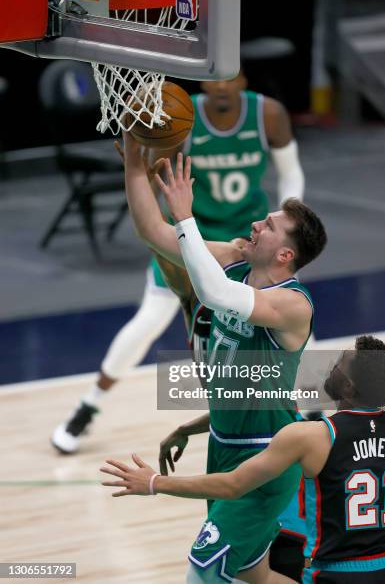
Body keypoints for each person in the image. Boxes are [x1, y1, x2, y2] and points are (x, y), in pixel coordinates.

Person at [101, 138, 327, 582]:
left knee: (201, 572)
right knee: (253, 575)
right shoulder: (234, 260)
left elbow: (214, 294)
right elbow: (154, 233)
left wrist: (186, 215)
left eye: (272, 224)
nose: (258, 222)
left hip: (266, 456)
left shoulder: (293, 306)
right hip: (224, 445)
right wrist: (132, 163)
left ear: (286, 255)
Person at [51, 70, 306, 454]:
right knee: (148, 322)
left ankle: (313, 414)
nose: (220, 86)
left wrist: (283, 226)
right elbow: (155, 209)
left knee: (293, 326)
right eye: (214, 80)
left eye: (229, 80)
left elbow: (291, 175)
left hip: (246, 242)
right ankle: (88, 405)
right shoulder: (182, 117)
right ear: (205, 82)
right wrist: (138, 169)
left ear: (243, 82)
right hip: (191, 234)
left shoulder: (267, 114)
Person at [101, 336, 385, 584]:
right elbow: (264, 406)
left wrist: (155, 482)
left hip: (335, 573)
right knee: (253, 574)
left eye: (340, 363)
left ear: (349, 387)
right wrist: (187, 428)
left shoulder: (309, 436)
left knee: (211, 574)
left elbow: (234, 485)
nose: (331, 366)